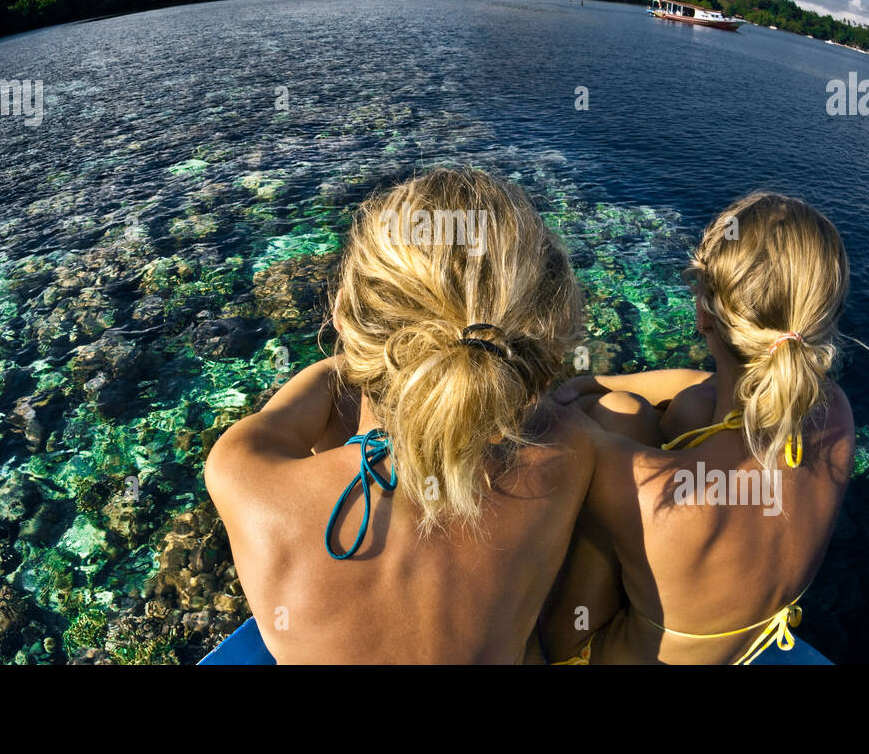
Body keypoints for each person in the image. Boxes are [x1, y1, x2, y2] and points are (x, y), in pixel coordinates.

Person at [204, 167, 594, 663]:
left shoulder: (243, 477)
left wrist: (359, 361)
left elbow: (308, 397)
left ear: (343, 315)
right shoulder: (570, 455)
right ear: (538, 357)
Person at [542, 192, 856, 664]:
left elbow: (555, 437)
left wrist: (568, 398)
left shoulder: (650, 491)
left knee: (617, 413)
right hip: (738, 644)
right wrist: (596, 378)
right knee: (673, 409)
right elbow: (700, 385)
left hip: (588, 652)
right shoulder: (834, 412)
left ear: (703, 315)